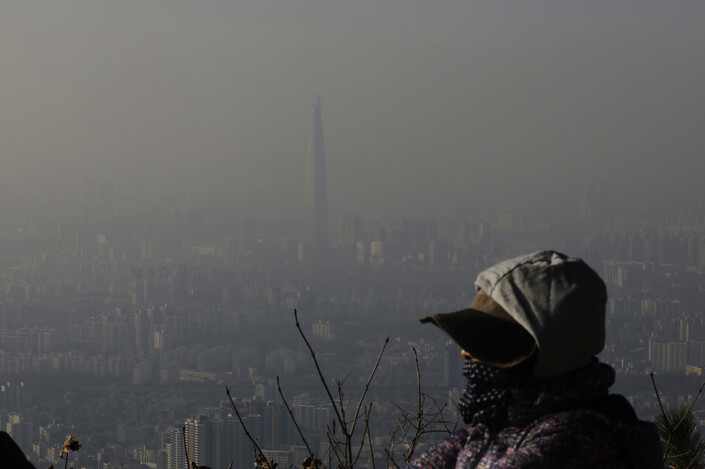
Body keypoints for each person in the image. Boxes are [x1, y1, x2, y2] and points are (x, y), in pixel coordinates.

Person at [405, 250, 663, 469]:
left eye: (486, 343)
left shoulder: (575, 441)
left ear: (537, 352)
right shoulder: (499, 427)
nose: (465, 353)